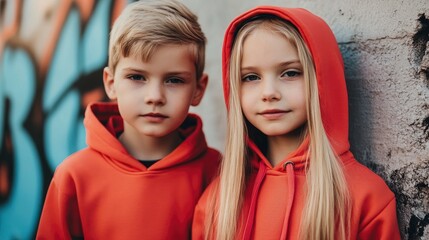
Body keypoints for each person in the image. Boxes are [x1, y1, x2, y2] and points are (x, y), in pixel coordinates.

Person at [192, 6, 401, 240]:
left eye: (290, 73)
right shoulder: (217, 201)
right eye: (251, 77)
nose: (269, 92)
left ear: (322, 78)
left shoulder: (365, 197)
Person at [37, 0, 221, 239]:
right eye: (137, 77)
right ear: (111, 84)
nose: (155, 97)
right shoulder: (74, 175)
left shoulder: (217, 171)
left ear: (198, 89)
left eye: (174, 80)